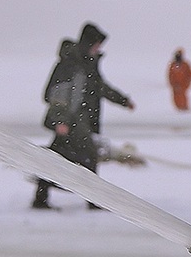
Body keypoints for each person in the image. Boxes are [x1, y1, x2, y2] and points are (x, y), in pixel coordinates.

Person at [32, 22, 135, 210]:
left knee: (57, 156)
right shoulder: (70, 64)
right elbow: (57, 94)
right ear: (88, 42)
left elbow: (100, 87)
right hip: (71, 119)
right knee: (88, 155)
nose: (99, 48)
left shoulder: (88, 64)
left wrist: (123, 100)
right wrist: (61, 120)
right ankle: (92, 199)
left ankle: (42, 197)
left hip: (81, 118)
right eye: (97, 43)